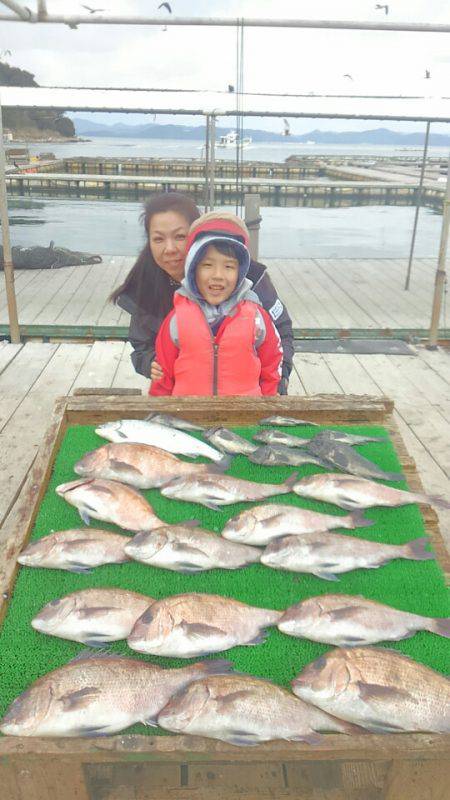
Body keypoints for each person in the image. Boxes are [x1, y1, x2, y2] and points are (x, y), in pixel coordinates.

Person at [110, 193, 294, 393]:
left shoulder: (250, 278)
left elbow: (281, 331)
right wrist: (149, 363)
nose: (169, 248)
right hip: (187, 401)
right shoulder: (146, 284)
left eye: (180, 236)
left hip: (247, 398)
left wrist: (279, 381)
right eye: (158, 239)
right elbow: (141, 345)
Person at [150, 215, 283, 396]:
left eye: (229, 267)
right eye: (207, 265)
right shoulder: (176, 319)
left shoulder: (257, 317)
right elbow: (162, 374)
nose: (218, 275)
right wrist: (159, 409)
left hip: (244, 415)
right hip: (189, 416)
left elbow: (272, 365)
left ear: (240, 272)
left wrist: (269, 404)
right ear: (192, 269)